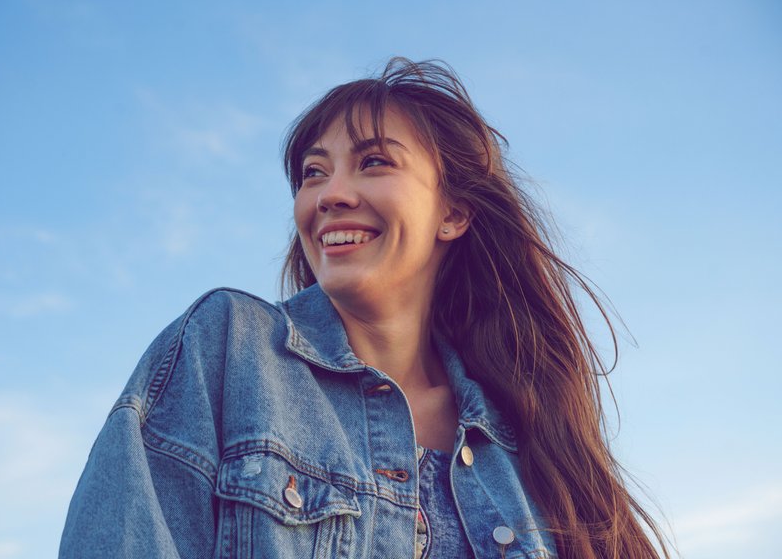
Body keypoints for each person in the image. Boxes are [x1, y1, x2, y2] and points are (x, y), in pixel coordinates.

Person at [59, 58, 671, 558]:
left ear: (453, 213)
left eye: (373, 162)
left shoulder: (529, 437)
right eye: (312, 173)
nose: (329, 195)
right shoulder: (226, 349)